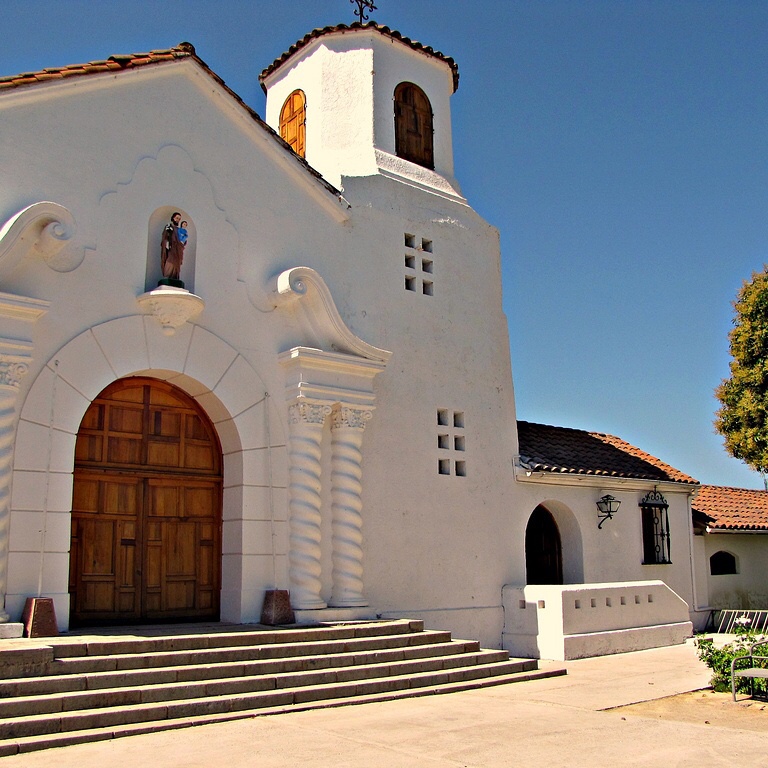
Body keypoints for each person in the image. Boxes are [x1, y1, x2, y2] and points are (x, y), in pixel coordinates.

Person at [160, 212, 185, 281]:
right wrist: (167, 243)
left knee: (176, 264)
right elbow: (165, 236)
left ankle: (174, 277)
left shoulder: (180, 230)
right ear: (173, 218)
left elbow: (183, 240)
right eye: (177, 218)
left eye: (179, 219)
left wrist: (183, 242)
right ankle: (167, 276)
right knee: (169, 261)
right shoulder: (169, 226)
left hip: (178, 250)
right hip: (170, 248)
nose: (178, 220)